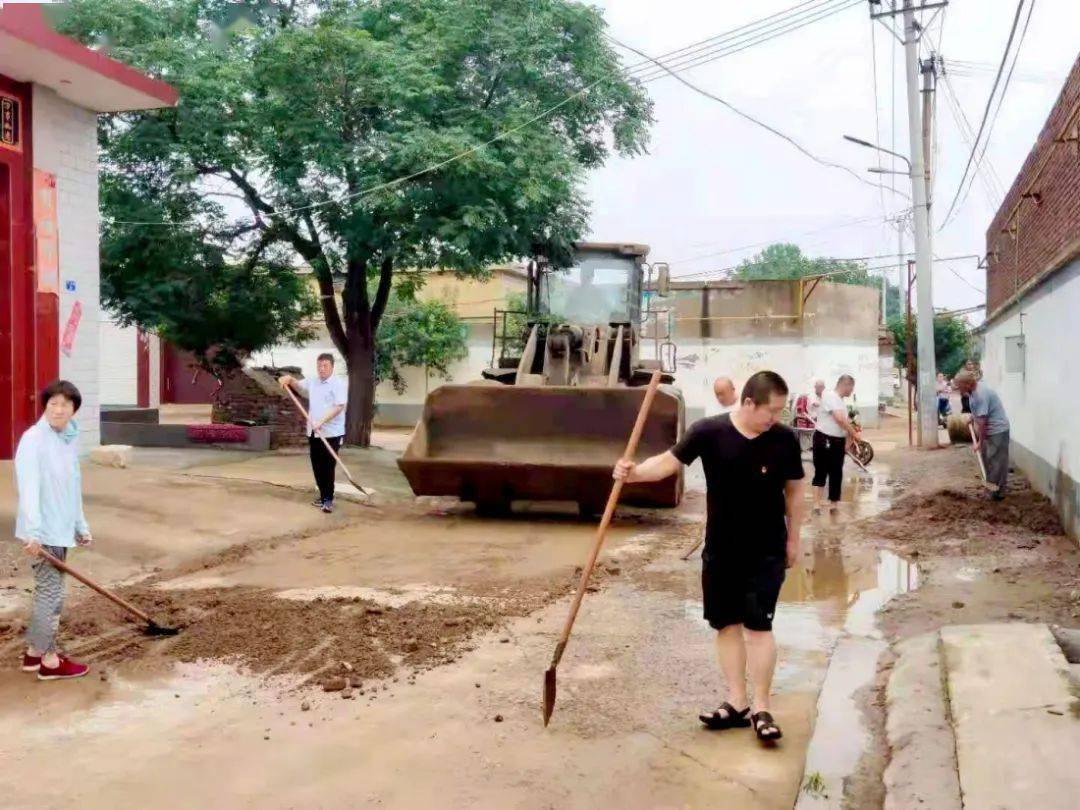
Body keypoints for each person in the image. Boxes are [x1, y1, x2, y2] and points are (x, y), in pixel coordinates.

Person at [614, 371, 804, 743]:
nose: (775, 418)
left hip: (766, 549)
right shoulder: (708, 432)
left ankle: (762, 708)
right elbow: (669, 462)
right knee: (726, 625)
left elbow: (795, 492)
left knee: (758, 628)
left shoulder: (784, 440)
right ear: (748, 403)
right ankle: (736, 703)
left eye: (779, 412)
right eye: (772, 411)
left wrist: (794, 540)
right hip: (720, 548)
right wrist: (633, 474)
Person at [15, 380, 93, 681]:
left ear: (74, 410)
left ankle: (33, 654)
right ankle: (49, 661)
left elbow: (71, 488)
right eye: (53, 404)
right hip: (42, 533)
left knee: (51, 594)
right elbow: (29, 488)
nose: (59, 410)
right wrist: (33, 533)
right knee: (51, 595)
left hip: (59, 530)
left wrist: (80, 526)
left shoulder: (66, 440)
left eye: (65, 404)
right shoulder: (34, 439)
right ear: (45, 407)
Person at [279, 354, 348, 513]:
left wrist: (322, 422)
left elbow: (339, 407)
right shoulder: (313, 381)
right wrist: (289, 379)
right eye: (319, 366)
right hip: (313, 431)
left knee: (327, 466)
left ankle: (328, 499)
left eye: (325, 366)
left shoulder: (338, 384)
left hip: (331, 432)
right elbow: (300, 387)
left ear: (331, 367)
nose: (321, 369)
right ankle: (323, 495)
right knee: (317, 465)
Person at [954, 370, 1009, 500]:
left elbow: (983, 423)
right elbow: (979, 411)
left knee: (996, 462)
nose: (957, 388)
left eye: (959, 385)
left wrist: (980, 442)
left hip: (998, 430)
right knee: (987, 460)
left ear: (967, 384)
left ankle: (995, 492)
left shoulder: (980, 394)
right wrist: (972, 417)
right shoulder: (973, 392)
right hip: (990, 429)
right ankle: (992, 488)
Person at [812, 374, 858, 513]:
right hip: (824, 438)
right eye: (851, 387)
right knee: (821, 471)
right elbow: (839, 419)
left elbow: (844, 421)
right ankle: (816, 505)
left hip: (837, 440)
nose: (852, 391)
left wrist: (848, 440)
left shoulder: (840, 400)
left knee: (836, 473)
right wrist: (854, 433)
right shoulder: (830, 396)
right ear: (846, 385)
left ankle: (833, 505)